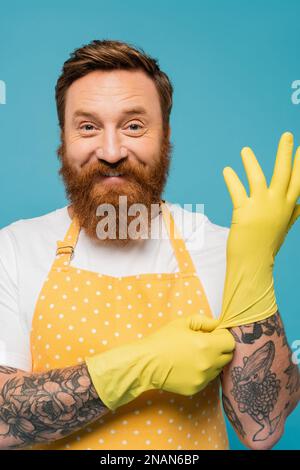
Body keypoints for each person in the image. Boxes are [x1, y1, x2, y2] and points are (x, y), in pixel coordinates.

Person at [0, 39, 298, 451]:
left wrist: (253, 266)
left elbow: (262, 429)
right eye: (88, 126)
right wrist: (141, 367)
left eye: (133, 125)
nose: (110, 151)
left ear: (166, 135)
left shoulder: (217, 248)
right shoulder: (14, 249)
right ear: (63, 138)